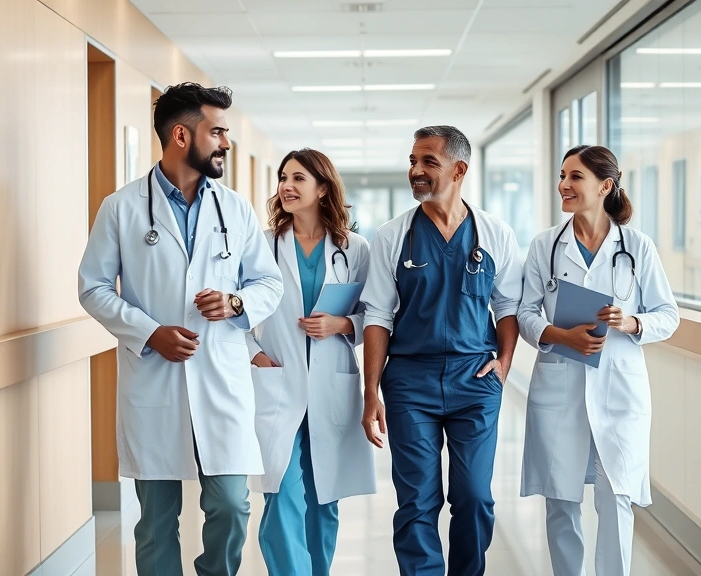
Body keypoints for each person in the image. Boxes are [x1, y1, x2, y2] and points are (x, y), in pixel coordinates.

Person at [78, 83, 284, 576]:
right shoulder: (122, 207)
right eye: (217, 132)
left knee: (232, 506)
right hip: (156, 379)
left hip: (220, 376)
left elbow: (267, 283)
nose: (226, 143)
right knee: (155, 522)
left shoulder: (234, 208)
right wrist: (149, 332)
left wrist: (236, 301)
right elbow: (93, 287)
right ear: (179, 135)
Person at [360, 126, 523, 576]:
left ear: (459, 169)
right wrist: (370, 391)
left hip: (475, 379)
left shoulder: (494, 233)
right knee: (417, 500)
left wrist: (504, 364)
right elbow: (378, 315)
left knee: (474, 497)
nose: (416, 171)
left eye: (428, 162)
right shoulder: (394, 236)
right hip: (411, 381)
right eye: (413, 161)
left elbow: (508, 305)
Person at [517, 145, 679, 576]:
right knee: (561, 500)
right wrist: (558, 334)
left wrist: (630, 322)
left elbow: (669, 316)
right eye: (562, 175)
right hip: (560, 385)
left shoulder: (637, 247)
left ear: (605, 186)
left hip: (618, 389)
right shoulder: (545, 245)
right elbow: (526, 313)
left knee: (616, 498)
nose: (563, 185)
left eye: (575, 177)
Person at [244, 148, 376, 575]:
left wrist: (341, 325)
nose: (286, 186)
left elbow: (374, 315)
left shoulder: (353, 247)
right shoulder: (262, 246)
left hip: (330, 385)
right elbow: (237, 310)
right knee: (281, 494)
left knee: (325, 500)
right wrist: (255, 354)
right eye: (283, 177)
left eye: (299, 178)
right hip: (277, 382)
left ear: (323, 188)